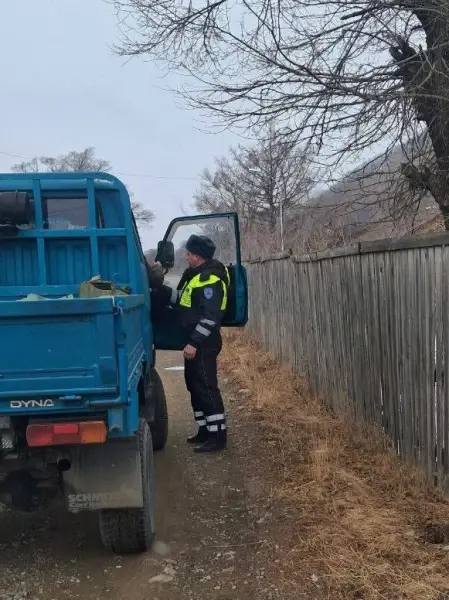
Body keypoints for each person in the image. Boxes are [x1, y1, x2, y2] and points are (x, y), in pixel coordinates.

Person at [150, 235, 229, 453]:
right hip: (195, 341)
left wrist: (194, 343)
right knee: (194, 385)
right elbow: (184, 300)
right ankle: (204, 430)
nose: (186, 257)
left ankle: (217, 436)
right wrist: (161, 291)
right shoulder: (196, 277)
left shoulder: (210, 280)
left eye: (189, 254)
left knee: (206, 386)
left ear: (198, 256)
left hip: (204, 343)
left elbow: (210, 318)